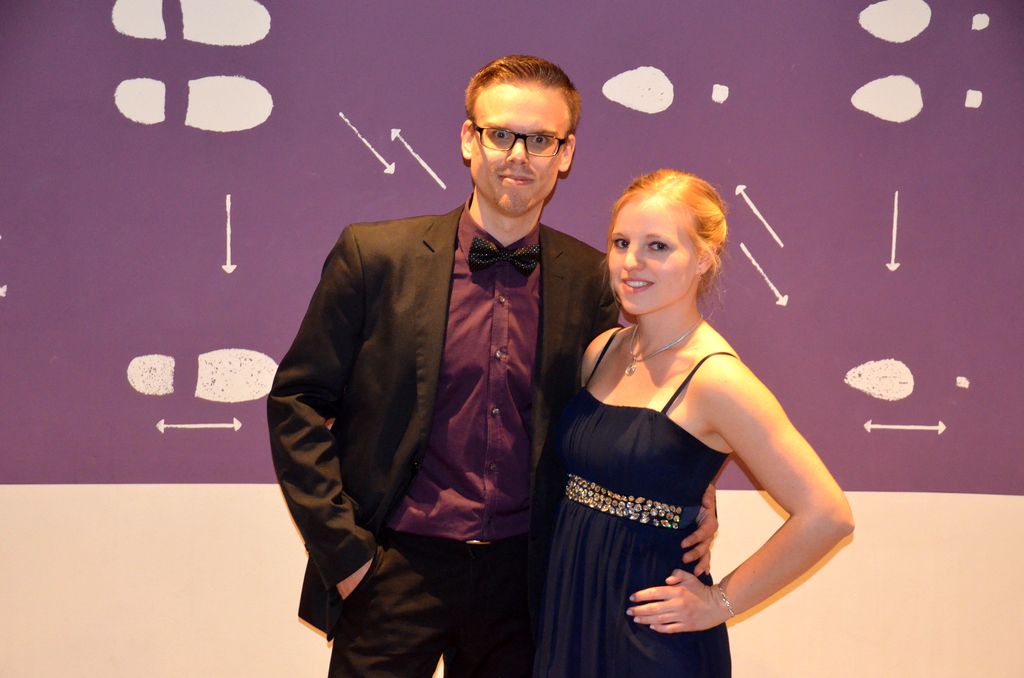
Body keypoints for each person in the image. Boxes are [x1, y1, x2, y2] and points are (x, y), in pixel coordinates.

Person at [267, 57, 718, 678]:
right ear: (468, 139)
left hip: (524, 583)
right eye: (500, 134)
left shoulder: (592, 279)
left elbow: (630, 398)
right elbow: (296, 401)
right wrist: (345, 556)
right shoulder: (374, 258)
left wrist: (693, 486)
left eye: (540, 140)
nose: (518, 156)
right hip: (392, 569)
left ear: (565, 153)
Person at [533, 169, 855, 677]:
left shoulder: (717, 380)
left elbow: (827, 514)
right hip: (573, 612)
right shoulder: (603, 351)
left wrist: (719, 602)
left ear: (703, 258)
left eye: (658, 246)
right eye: (621, 242)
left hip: (651, 634)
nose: (631, 262)